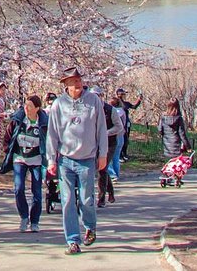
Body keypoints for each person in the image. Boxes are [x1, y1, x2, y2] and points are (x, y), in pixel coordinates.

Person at [46, 66, 108, 255]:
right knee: (67, 201)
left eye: (79, 80)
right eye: (73, 81)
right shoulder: (58, 104)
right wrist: (51, 159)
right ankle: (72, 240)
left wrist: (103, 153)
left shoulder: (93, 101)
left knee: (86, 199)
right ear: (66, 84)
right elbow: (52, 133)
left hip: (87, 158)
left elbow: (101, 129)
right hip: (65, 159)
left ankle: (90, 227)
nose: (78, 84)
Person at [1, 94, 48, 232]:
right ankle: (23, 216)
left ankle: (35, 221)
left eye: (30, 106)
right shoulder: (18, 121)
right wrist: (8, 150)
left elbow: (48, 141)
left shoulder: (43, 124)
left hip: (36, 160)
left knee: (37, 192)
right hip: (20, 158)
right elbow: (8, 137)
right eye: (25, 105)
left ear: (37, 108)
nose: (26, 108)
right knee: (19, 188)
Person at [91, 88, 122, 207]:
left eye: (97, 96)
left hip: (109, 143)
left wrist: (106, 132)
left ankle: (101, 197)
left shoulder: (110, 110)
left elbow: (119, 127)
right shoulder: (89, 110)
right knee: (101, 168)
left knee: (102, 168)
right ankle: (111, 191)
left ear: (101, 96)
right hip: (95, 144)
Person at [115, 87, 142, 162]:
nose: (124, 95)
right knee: (120, 140)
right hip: (120, 124)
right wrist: (119, 98)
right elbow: (123, 107)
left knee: (126, 139)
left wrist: (139, 100)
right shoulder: (116, 102)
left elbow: (134, 106)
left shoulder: (126, 103)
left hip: (127, 123)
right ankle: (119, 155)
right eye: (123, 94)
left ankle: (124, 153)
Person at [107, 95, 126, 180]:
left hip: (113, 136)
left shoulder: (112, 112)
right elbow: (124, 123)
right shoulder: (122, 112)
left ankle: (112, 174)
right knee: (116, 157)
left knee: (108, 157)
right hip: (121, 136)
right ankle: (116, 174)